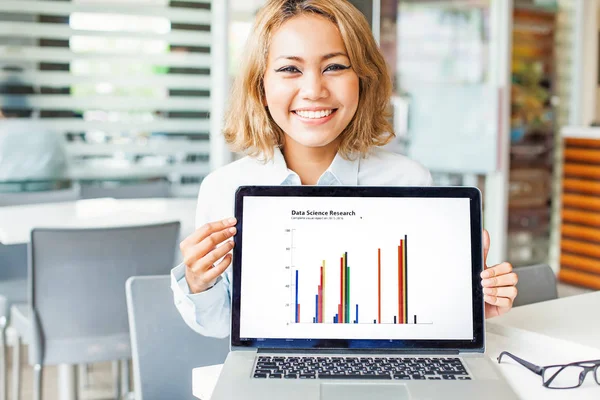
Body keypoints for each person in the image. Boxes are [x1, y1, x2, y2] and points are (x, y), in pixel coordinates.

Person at [171, 0, 518, 338]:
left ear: (363, 79)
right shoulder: (224, 188)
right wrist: (200, 282)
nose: (313, 91)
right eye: (290, 69)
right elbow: (220, 326)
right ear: (260, 86)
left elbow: (419, 312)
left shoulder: (409, 181)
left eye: (334, 67)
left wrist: (469, 305)